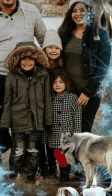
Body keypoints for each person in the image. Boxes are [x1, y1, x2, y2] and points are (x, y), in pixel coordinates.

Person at [0, 41, 52, 184]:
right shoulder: (12, 75)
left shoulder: (43, 74)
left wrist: (47, 120)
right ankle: (13, 175)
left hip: (37, 120)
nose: (27, 62)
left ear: (36, 59)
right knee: (18, 150)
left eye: (31, 58)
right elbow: (7, 100)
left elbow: (47, 98)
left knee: (34, 151)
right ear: (17, 60)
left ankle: (29, 176)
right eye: (23, 58)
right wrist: (5, 122)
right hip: (18, 120)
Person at [58, 0, 111, 133]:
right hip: (67, 92)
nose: (78, 14)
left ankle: (80, 156)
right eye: (74, 10)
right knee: (65, 134)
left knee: (83, 134)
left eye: (82, 10)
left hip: (90, 95)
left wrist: (87, 92)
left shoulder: (100, 34)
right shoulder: (63, 33)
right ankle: (60, 155)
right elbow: (55, 60)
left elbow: (103, 67)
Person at [46, 68, 82, 183]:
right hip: (54, 133)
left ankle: (70, 175)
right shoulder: (49, 98)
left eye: (61, 82)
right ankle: (63, 177)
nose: (57, 85)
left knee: (68, 155)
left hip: (67, 133)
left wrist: (77, 134)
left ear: (66, 83)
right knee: (58, 154)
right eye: (54, 82)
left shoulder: (72, 98)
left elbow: (77, 116)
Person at [38, 29, 63, 179]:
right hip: (42, 110)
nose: (53, 51)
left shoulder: (62, 68)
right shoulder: (39, 67)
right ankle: (43, 167)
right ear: (44, 49)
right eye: (50, 47)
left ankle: (57, 168)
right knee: (41, 141)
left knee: (54, 144)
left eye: (56, 47)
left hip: (56, 112)